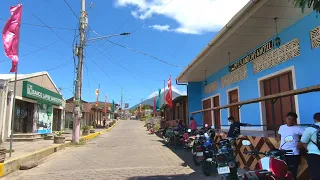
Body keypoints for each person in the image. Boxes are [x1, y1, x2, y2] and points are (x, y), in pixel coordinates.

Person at [278, 112, 304, 179]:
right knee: (281, 172)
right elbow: (279, 135)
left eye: (292, 120)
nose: (290, 121)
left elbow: (306, 135)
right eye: (289, 119)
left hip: (293, 154)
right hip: (282, 153)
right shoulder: (282, 127)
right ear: (286, 118)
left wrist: (300, 142)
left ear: (295, 121)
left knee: (292, 173)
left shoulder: (298, 128)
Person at [301, 113, 320, 180]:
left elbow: (303, 141)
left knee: (315, 174)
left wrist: (309, 149)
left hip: (314, 154)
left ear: (314, 120)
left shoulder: (310, 128)